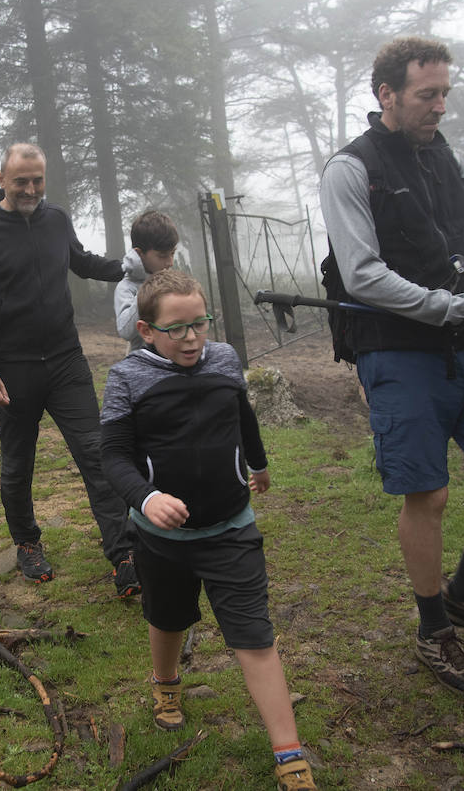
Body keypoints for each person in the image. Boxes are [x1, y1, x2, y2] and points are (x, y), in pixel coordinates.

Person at [319, 36, 464, 697]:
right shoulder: (349, 170)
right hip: (395, 347)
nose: (440, 106)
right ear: (387, 94)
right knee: (430, 494)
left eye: (445, 92)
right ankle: (433, 629)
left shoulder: (445, 158)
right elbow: (362, 276)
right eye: (427, 94)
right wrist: (460, 310)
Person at [100, 269, 315, 791]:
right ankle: (167, 684)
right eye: (177, 328)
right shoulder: (126, 377)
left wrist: (258, 465)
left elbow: (242, 415)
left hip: (230, 529)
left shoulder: (223, 360)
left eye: (200, 323)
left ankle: (290, 755)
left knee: (255, 637)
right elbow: (112, 454)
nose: (193, 336)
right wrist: (147, 499)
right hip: (160, 539)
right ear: (147, 330)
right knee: (168, 619)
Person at [0, 142, 137, 596]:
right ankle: (27, 543)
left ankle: (124, 555)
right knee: (18, 466)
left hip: (65, 361)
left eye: (37, 180)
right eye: (21, 181)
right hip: (11, 373)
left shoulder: (56, 218)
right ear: (2, 179)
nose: (31, 188)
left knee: (98, 455)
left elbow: (81, 261)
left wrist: (132, 269)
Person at [114, 210, 179, 352]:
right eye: (162, 256)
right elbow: (125, 331)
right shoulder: (126, 287)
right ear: (139, 254)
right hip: (145, 366)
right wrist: (149, 289)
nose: (170, 262)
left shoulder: (171, 280)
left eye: (172, 253)